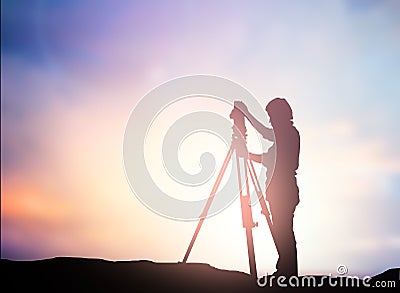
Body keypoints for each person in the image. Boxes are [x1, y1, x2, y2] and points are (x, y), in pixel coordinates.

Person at [236, 98, 300, 277]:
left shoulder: (288, 134)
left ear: (280, 115)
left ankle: (287, 273)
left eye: (272, 116)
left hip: (284, 191)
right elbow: (268, 157)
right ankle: (285, 271)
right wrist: (248, 154)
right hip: (281, 191)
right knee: (282, 232)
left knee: (283, 233)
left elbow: (267, 150)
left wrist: (246, 113)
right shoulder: (286, 135)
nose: (270, 120)